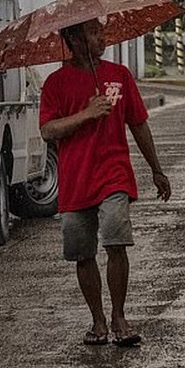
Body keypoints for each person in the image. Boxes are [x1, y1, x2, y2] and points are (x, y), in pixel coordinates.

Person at [39, 18, 171, 348]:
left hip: (114, 175)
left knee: (116, 239)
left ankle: (119, 316)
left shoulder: (119, 76)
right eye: (94, 32)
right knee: (83, 254)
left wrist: (157, 169)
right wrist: (85, 114)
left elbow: (139, 125)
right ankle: (97, 320)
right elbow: (47, 130)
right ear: (74, 38)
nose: (102, 37)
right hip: (76, 180)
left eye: (101, 31)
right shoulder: (55, 83)